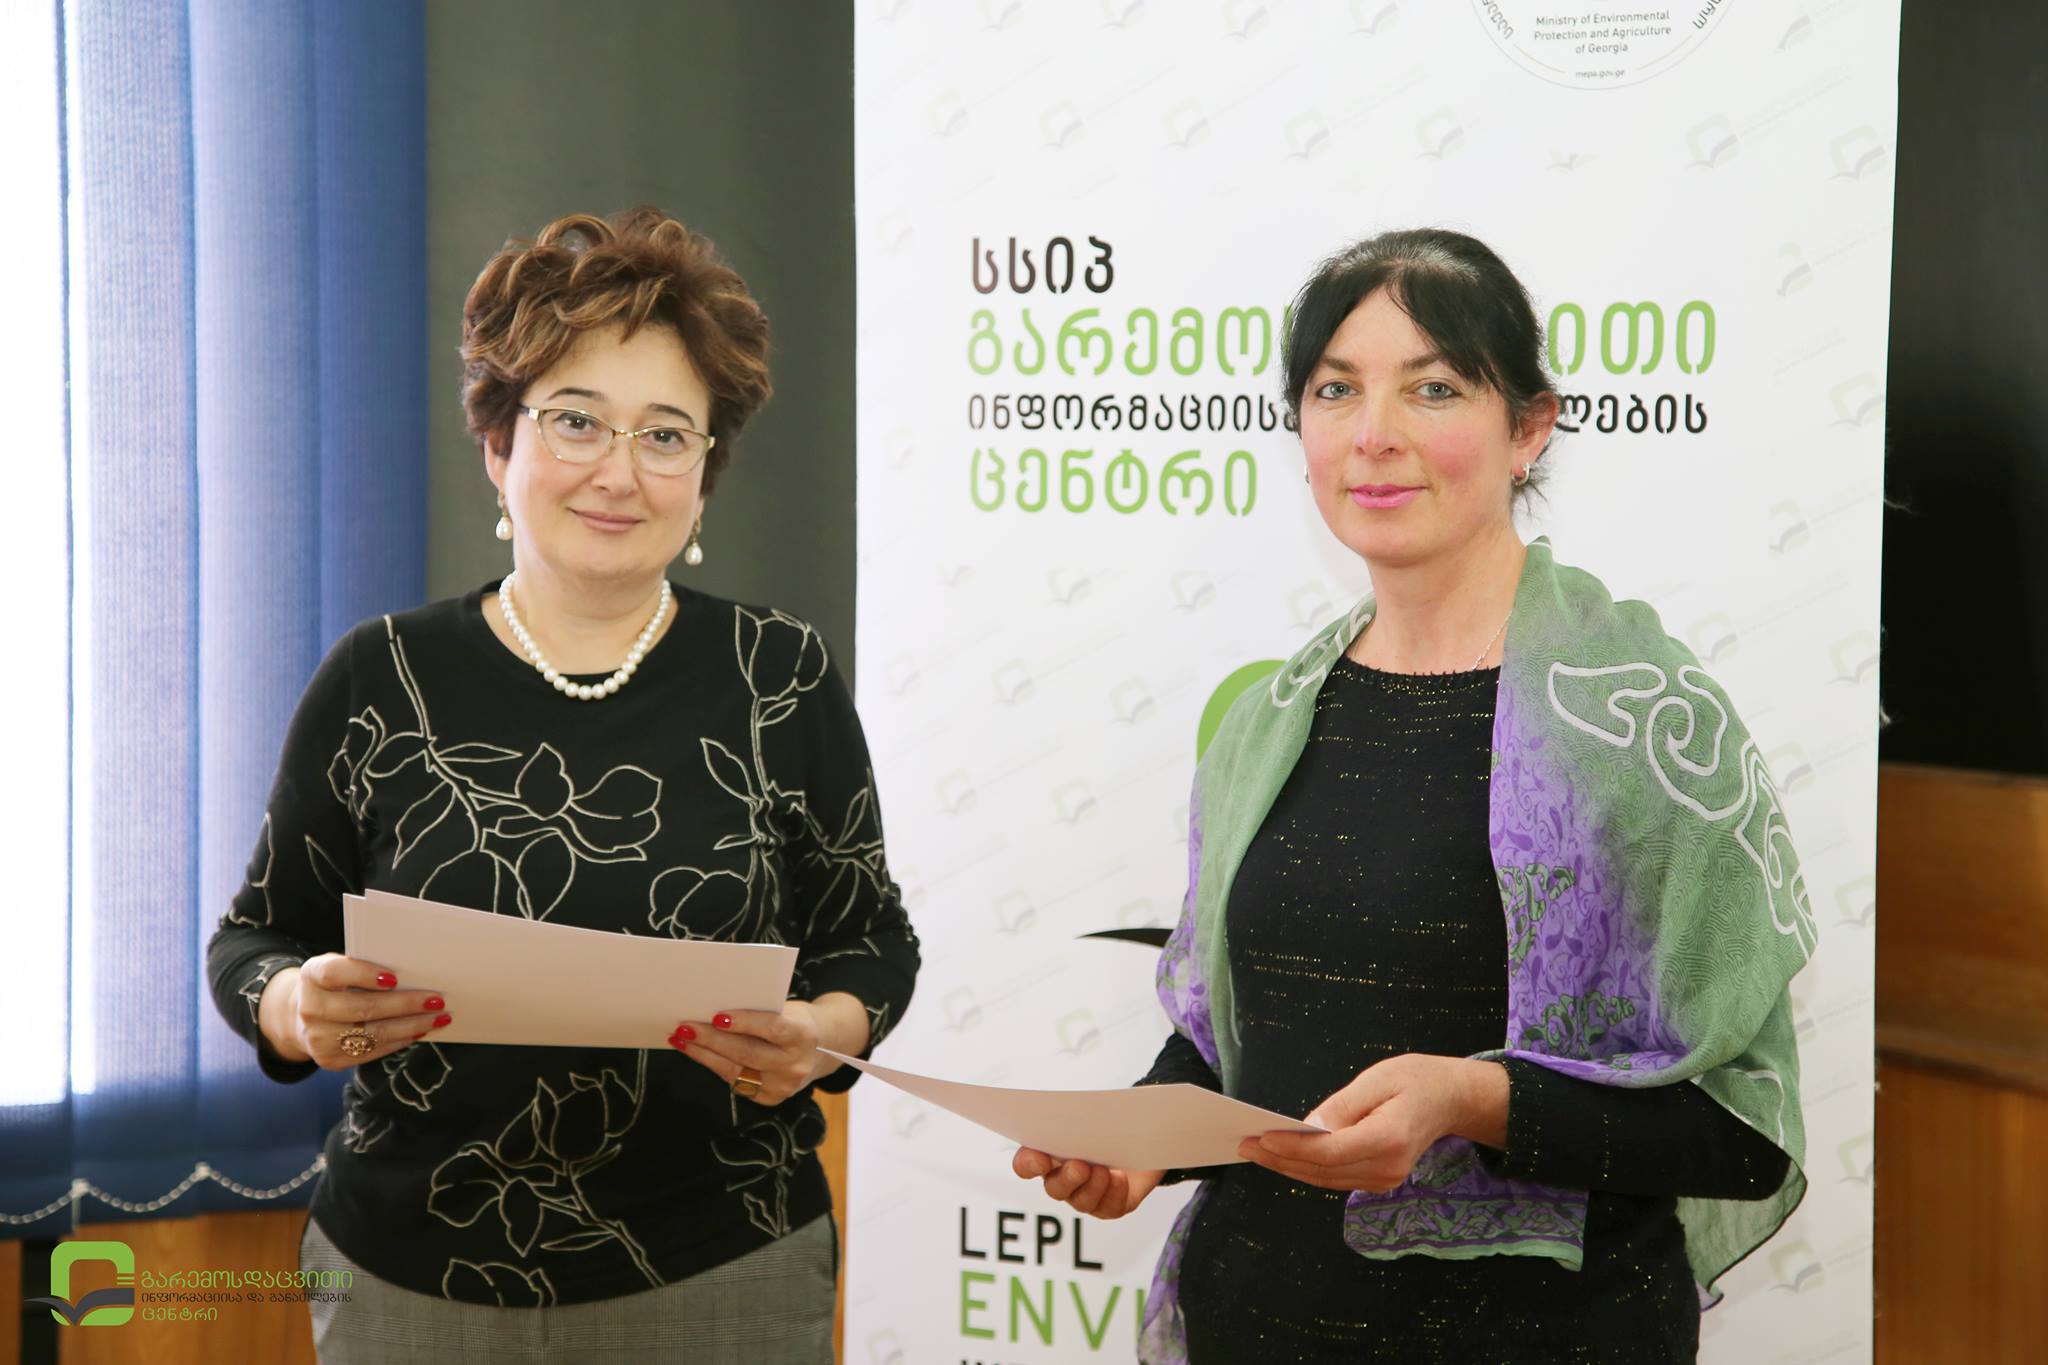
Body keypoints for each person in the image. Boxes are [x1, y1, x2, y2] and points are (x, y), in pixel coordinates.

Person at [1013, 228, 1811, 1362]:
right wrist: (1147, 1135)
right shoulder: (1269, 722)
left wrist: (1474, 1101)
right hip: (1255, 1324)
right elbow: (1240, 1050)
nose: (1373, 433)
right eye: (1335, 389)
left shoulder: (1635, 724)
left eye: (1432, 388)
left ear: (1528, 429)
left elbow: (1738, 1134)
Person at [207, 207, 919, 1364]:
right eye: (575, 420)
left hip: (719, 1268)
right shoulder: (381, 677)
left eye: (665, 435)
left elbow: (870, 942)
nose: (617, 472)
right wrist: (296, 1006)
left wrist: (821, 1032)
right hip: (406, 1276)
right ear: (500, 446)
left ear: (704, 475)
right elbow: (252, 940)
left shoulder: (778, 675)